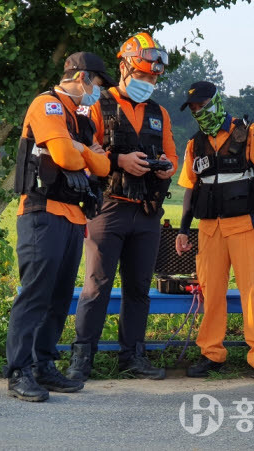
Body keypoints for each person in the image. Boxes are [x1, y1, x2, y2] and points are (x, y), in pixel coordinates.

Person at [66, 32, 177, 381]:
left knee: (139, 288)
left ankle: (133, 357)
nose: (147, 83)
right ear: (125, 67)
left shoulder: (160, 113)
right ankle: (82, 358)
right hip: (108, 208)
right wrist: (119, 160)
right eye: (142, 75)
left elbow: (171, 154)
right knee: (97, 285)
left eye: (152, 78)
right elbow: (83, 151)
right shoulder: (97, 104)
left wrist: (167, 167)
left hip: (146, 211)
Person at [6, 52, 115, 402]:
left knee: (57, 299)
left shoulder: (80, 120)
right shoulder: (47, 106)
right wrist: (84, 151)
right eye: (97, 84)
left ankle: (43, 365)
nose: (98, 92)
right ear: (82, 77)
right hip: (42, 213)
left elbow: (102, 166)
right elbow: (70, 160)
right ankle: (19, 371)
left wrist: (79, 148)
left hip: (72, 216)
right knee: (35, 295)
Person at [175, 81, 254, 383]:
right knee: (211, 293)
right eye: (193, 108)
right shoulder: (195, 143)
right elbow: (190, 190)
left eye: (202, 105)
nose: (198, 111)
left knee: (252, 291)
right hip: (209, 229)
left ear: (216, 102)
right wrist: (184, 229)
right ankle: (212, 354)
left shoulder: (248, 132)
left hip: (245, 225)